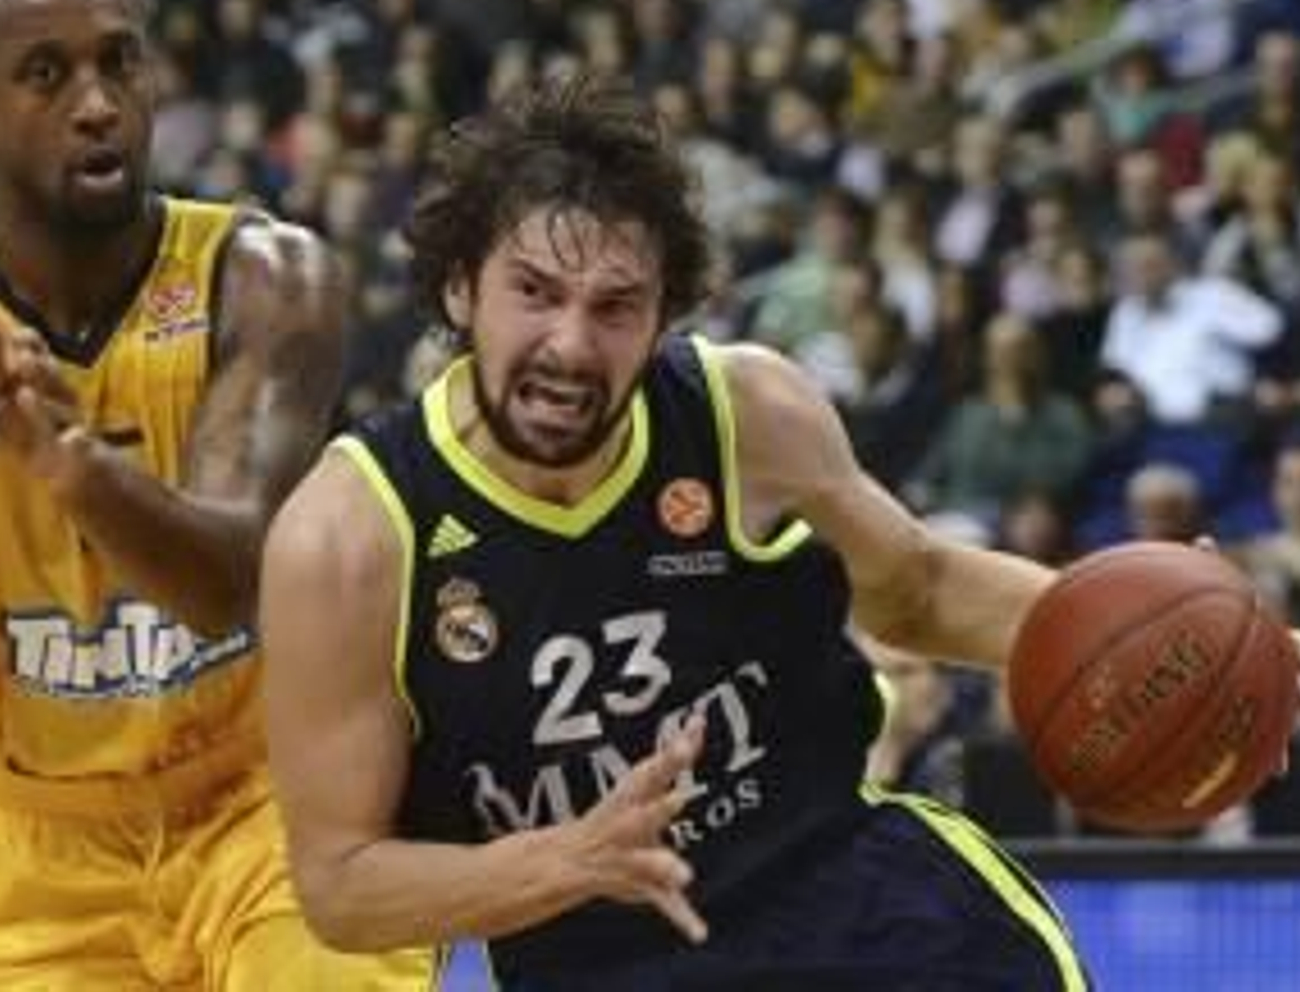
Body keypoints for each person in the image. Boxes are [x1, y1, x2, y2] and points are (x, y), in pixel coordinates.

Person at [260, 74, 1107, 990]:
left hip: (858, 905)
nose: (572, 344)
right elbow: (340, 884)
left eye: (616, 305)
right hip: (600, 959)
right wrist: (570, 860)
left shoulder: (744, 411)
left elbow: (922, 590)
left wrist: (1152, 626)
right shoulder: (347, 537)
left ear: (663, 314)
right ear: (461, 287)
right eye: (535, 291)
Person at [0, 0, 434, 990]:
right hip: (34, 852)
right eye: (47, 75)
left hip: (266, 798)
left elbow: (227, 585)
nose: (96, 102)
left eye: (120, 61)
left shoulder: (265, 275)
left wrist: (79, 471)